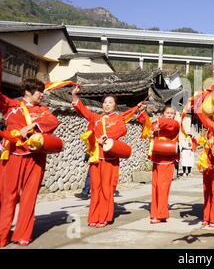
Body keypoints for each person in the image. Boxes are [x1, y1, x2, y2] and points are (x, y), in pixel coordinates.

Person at [0, 79, 60, 247]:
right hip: (14, 155)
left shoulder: (43, 110)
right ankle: (2, 236)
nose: (42, 94)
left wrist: (33, 125)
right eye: (39, 91)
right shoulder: (12, 106)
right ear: (27, 91)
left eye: (42, 91)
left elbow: (53, 122)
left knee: (29, 197)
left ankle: (22, 235)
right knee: (8, 197)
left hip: (36, 158)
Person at [71, 86, 141, 228]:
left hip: (110, 159)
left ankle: (104, 217)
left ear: (115, 105)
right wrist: (74, 96)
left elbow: (122, 129)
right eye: (105, 102)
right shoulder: (96, 118)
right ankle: (93, 217)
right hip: (96, 158)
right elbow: (83, 110)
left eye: (110, 102)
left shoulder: (118, 119)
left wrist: (107, 137)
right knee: (95, 188)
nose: (107, 104)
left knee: (106, 188)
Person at [137, 105, 180, 224]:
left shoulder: (175, 124)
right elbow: (147, 124)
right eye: (167, 113)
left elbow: (166, 124)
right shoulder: (159, 124)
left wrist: (157, 120)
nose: (170, 115)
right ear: (163, 113)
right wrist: (143, 112)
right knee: (155, 187)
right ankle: (155, 212)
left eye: (172, 113)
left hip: (167, 160)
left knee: (163, 188)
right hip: (157, 158)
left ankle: (161, 214)